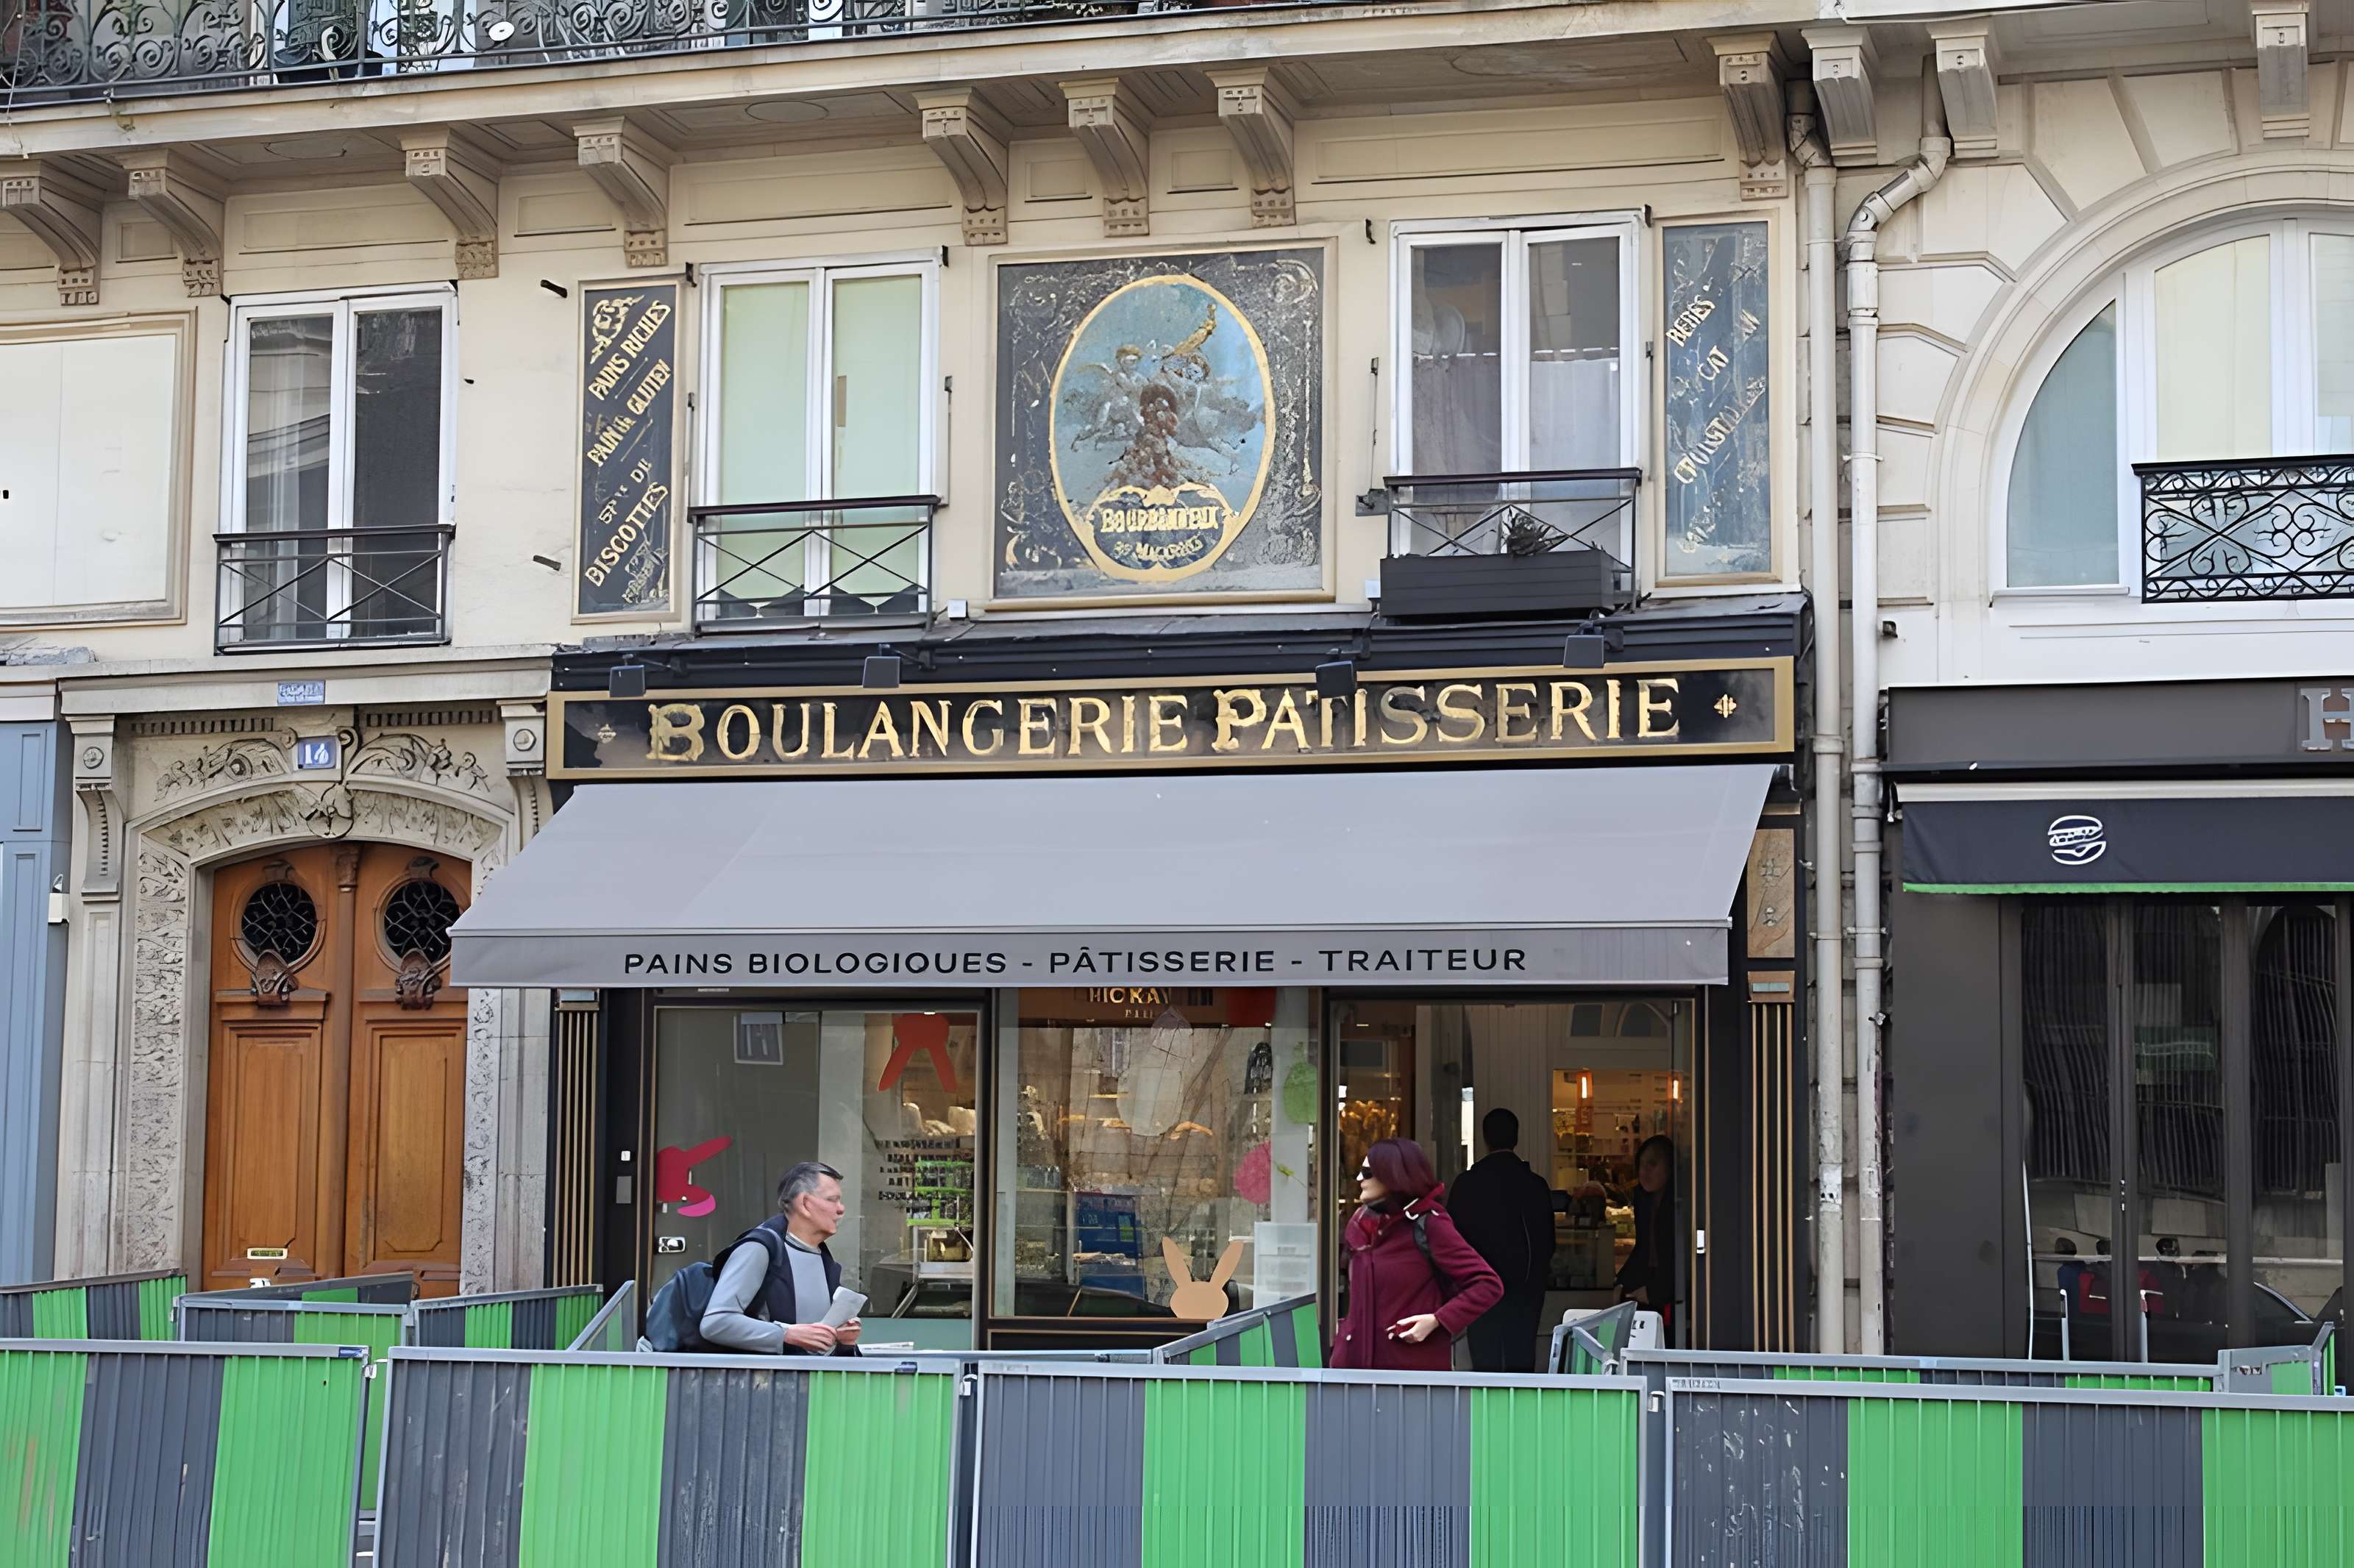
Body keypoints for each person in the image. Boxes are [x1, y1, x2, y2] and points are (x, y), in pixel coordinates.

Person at [1332, 1137, 1502, 1371]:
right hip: (1355, 1372)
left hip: (1410, 1373)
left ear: (1394, 1175)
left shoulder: (1429, 1224)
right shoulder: (1360, 1225)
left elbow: (1488, 1285)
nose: (1360, 1179)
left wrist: (1438, 1320)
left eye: (1368, 1172)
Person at [699, 1160, 864, 1355]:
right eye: (832, 1200)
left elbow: (818, 1347)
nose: (841, 1209)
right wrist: (785, 1334)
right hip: (766, 1375)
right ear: (805, 1204)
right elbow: (716, 1323)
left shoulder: (825, 1260)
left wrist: (844, 1342)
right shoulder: (759, 1249)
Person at [1448, 1108, 1557, 1372]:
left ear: (1485, 1138)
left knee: (1485, 1362)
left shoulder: (1467, 1184)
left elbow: (1452, 1241)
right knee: (1521, 1362)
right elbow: (1548, 1243)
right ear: (1516, 1138)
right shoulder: (1535, 1185)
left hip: (1479, 1287)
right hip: (1525, 1290)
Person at [1615, 1135, 1681, 1332]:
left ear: (1670, 1168)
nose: (1644, 1171)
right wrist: (1620, 1282)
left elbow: (1678, 1256)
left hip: (1672, 1291)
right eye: (1641, 1165)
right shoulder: (1643, 1199)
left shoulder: (1680, 1204)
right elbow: (1643, 1246)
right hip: (1648, 1281)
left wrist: (1654, 1292)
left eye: (1652, 1164)